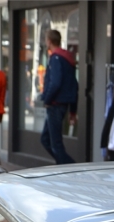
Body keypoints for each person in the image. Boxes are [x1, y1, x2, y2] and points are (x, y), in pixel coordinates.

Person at [38, 29, 77, 164]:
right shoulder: (67, 59)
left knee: (55, 144)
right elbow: (74, 85)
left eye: (46, 40)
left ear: (49, 41)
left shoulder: (55, 58)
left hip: (55, 105)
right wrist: (72, 110)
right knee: (46, 139)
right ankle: (64, 167)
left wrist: (47, 100)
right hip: (61, 104)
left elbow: (55, 83)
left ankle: (70, 169)